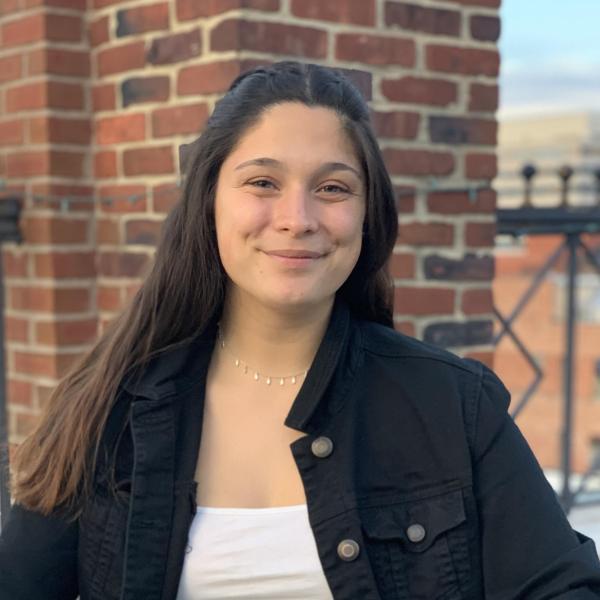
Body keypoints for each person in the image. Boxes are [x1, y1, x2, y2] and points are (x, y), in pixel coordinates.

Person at [0, 60, 599, 600]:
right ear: (210, 202)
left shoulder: (455, 407)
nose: (298, 219)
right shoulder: (108, 410)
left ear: (368, 214)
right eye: (262, 182)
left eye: (332, 188)